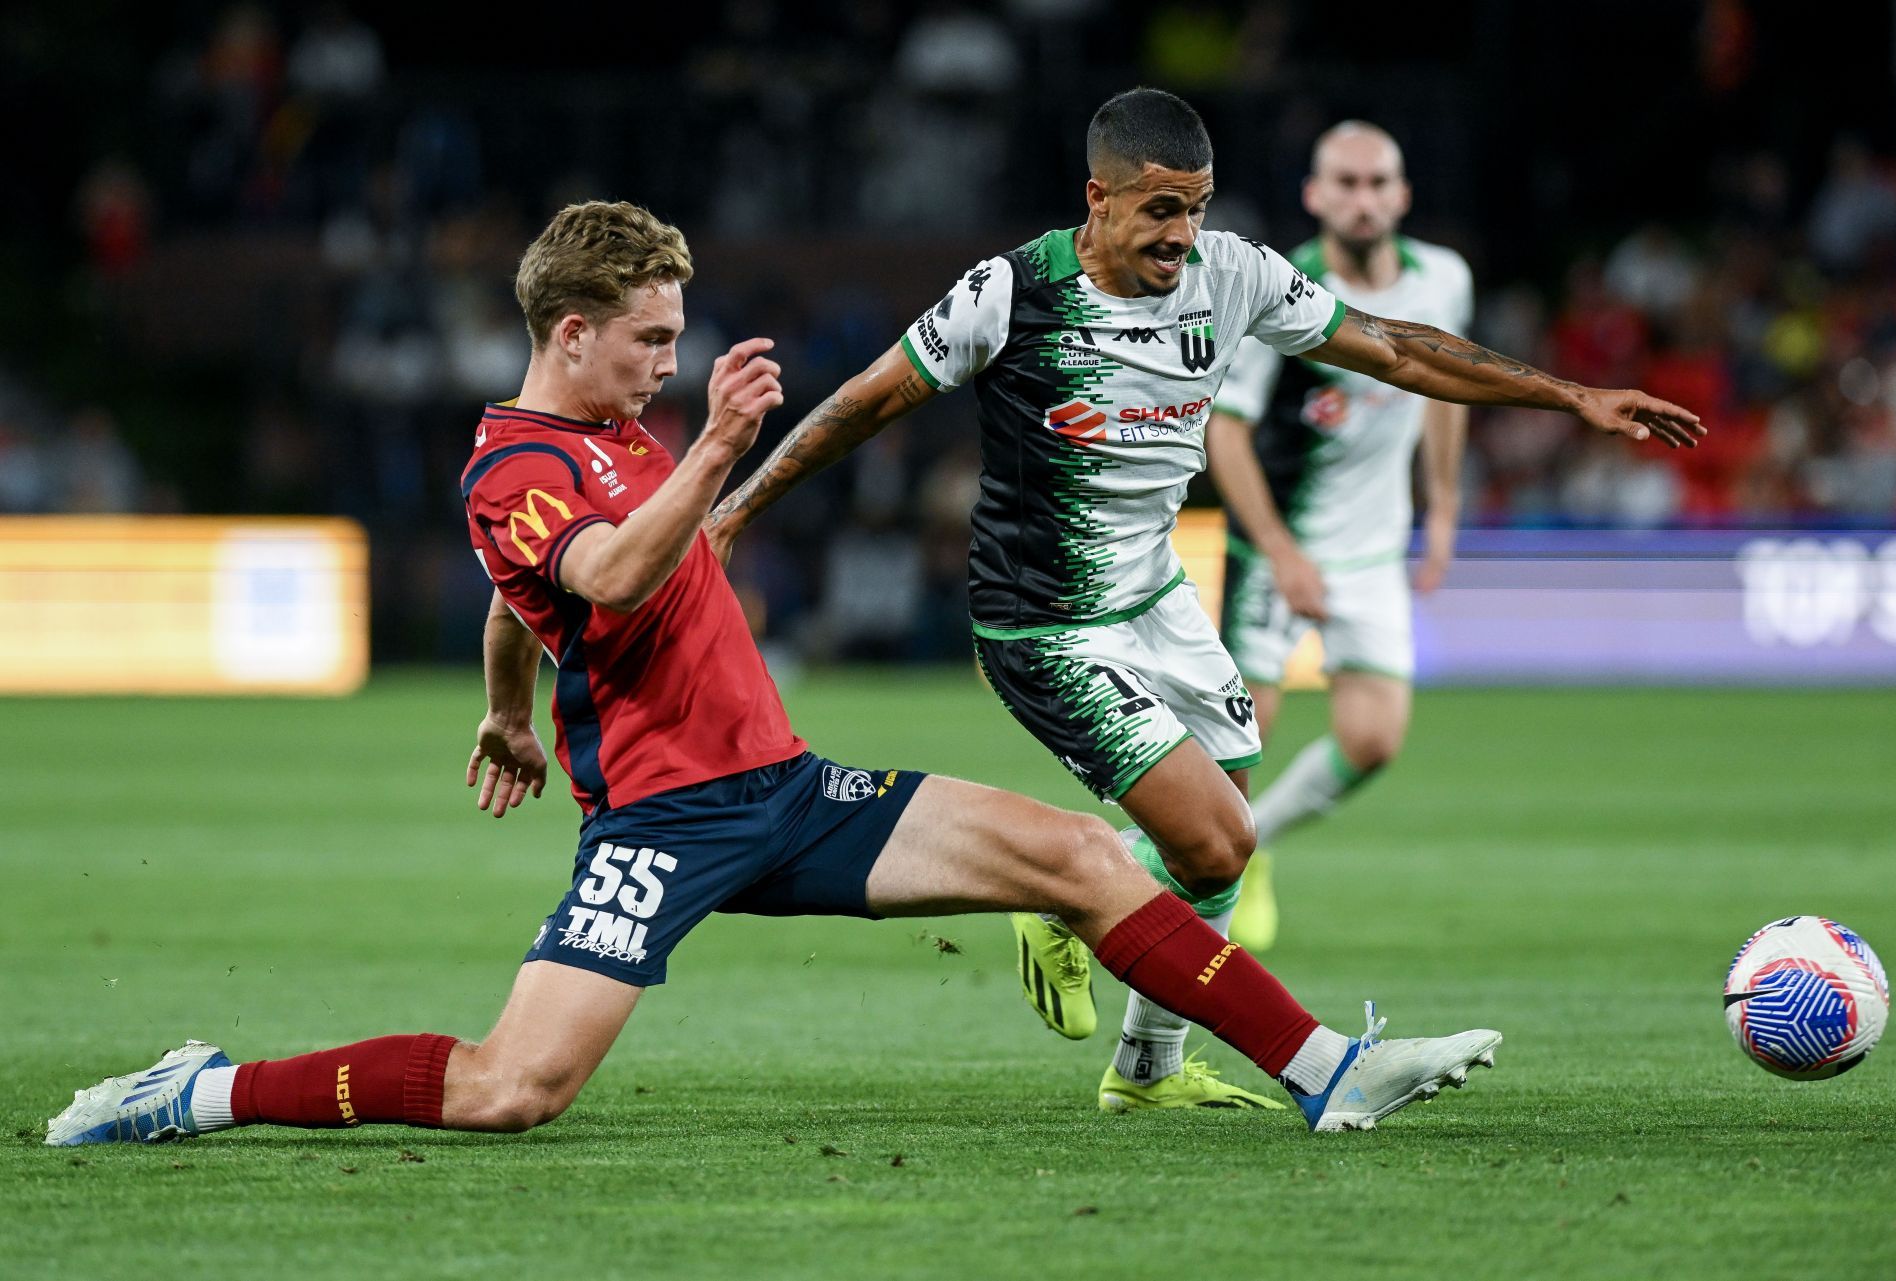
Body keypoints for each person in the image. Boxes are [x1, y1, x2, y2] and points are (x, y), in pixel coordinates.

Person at [44, 200, 1506, 1147]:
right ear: (571, 333)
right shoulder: (521, 460)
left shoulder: (614, 441)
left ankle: (1324, 1071)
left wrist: (505, 706)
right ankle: (203, 1088)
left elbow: (527, 600)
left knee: (1079, 856)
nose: (669, 366)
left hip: (789, 788)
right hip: (666, 820)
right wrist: (723, 452)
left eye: (679, 343)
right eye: (649, 341)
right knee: (512, 1090)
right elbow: (599, 572)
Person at [704, 88, 1700, 1113]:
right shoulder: (1011, 294)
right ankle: (1090, 913)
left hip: (1160, 599)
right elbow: (868, 399)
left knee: (1222, 834)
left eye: (1199, 208)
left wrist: (1570, 394)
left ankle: (1144, 1066)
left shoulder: (1236, 275)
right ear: (1098, 198)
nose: (1184, 236)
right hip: (1045, 626)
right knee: (1218, 840)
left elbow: (1396, 349)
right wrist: (737, 509)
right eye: (1161, 210)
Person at [1207, 121, 1473, 952]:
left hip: (1373, 550)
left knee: (1372, 738)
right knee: (1234, 757)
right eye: (1344, 184)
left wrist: (1444, 507)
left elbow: (1445, 390)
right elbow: (1227, 432)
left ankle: (1256, 852)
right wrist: (1281, 552)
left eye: (1377, 183)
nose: (1362, 200)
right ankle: (1160, 890)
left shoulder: (1444, 281)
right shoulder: (1281, 294)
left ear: (1401, 194)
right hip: (1277, 548)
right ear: (1315, 196)